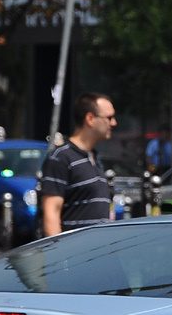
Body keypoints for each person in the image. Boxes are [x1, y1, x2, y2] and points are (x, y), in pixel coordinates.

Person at [39, 92, 117, 236]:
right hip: (75, 254)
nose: (114, 123)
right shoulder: (61, 158)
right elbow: (51, 214)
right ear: (90, 119)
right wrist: (60, 255)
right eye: (109, 118)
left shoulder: (94, 158)